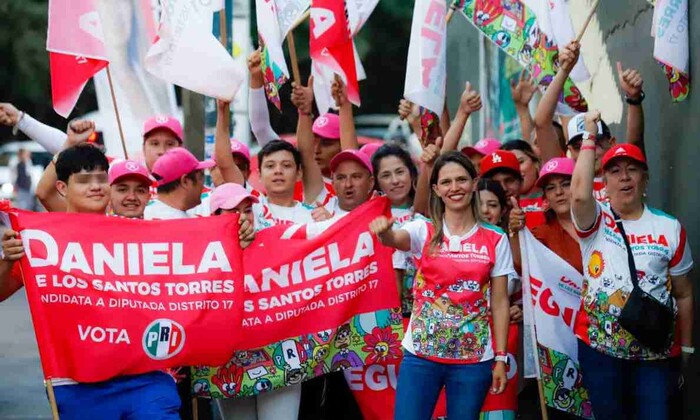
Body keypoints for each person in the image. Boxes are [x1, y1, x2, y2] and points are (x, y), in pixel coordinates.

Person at [0, 143, 182, 419]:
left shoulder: (141, 234)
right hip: (76, 385)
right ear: (62, 188)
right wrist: (7, 261)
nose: (96, 186)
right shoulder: (43, 242)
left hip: (148, 378)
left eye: (101, 179)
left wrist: (237, 237)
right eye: (84, 180)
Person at [369, 151, 512, 419]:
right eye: (446, 182)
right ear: (435, 188)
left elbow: (501, 301)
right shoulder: (423, 230)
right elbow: (395, 239)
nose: (454, 188)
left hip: (473, 360)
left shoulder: (495, 238)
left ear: (474, 182)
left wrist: (501, 357)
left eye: (461, 180)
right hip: (421, 355)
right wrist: (384, 232)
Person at [570, 111, 693, 419]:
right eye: (615, 171)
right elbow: (579, 193)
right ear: (604, 180)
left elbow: (684, 293)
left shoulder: (670, 227)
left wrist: (687, 347)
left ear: (645, 178)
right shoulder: (595, 220)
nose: (624, 177)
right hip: (601, 353)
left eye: (632, 169)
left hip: (655, 355)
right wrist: (588, 135)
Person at [144, 147, 214, 220]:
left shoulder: (142, 214)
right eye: (200, 177)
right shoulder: (186, 224)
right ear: (185, 181)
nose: (202, 185)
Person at [500, 140, 544, 228]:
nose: (516, 170)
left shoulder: (555, 195)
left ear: (536, 163)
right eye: (509, 167)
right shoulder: (499, 206)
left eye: (520, 162)